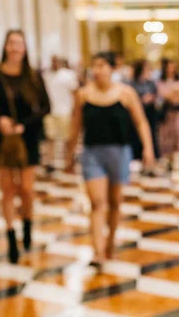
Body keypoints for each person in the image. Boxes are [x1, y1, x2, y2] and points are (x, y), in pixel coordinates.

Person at [65, 52, 154, 268]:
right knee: (97, 203)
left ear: (112, 69)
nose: (97, 70)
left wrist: (148, 149)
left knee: (114, 203)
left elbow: (141, 122)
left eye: (102, 65)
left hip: (119, 152)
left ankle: (110, 244)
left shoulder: (126, 93)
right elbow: (75, 128)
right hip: (92, 153)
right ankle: (98, 252)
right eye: (94, 65)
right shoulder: (83, 95)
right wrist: (68, 156)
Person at [0, 29, 50, 264]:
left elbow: (46, 107)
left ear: (25, 48)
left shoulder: (34, 76)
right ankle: (10, 235)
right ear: (5, 47)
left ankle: (27, 224)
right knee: (7, 189)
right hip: (3, 138)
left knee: (26, 188)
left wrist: (23, 126)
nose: (15, 48)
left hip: (27, 137)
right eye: (11, 43)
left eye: (19, 44)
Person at [42, 55, 78, 173]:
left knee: (67, 137)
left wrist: (75, 110)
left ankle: (69, 160)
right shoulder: (46, 75)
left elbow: (75, 93)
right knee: (50, 137)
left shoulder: (68, 75)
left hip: (65, 110)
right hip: (50, 111)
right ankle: (50, 161)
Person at [158, 59, 179, 171]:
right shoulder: (161, 81)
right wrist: (175, 93)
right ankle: (170, 161)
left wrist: (175, 93)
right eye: (168, 67)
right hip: (169, 112)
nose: (171, 69)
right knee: (168, 137)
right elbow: (165, 95)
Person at [130, 60, 160, 165]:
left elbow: (156, 94)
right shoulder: (131, 82)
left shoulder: (150, 82)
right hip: (135, 113)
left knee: (150, 134)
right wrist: (141, 100)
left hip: (149, 113)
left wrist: (151, 98)